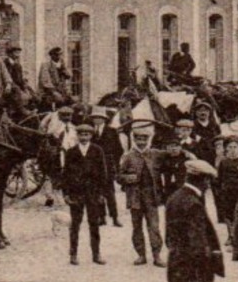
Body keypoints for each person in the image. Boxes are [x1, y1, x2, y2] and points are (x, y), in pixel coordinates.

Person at [60, 122, 110, 264]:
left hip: (93, 193)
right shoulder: (71, 152)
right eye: (81, 134)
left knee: (94, 223)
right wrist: (66, 193)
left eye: (87, 134)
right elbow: (66, 174)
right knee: (75, 224)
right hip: (76, 193)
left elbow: (103, 173)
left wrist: (101, 193)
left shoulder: (97, 151)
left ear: (91, 136)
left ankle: (96, 254)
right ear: (77, 135)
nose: (84, 136)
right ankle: (73, 254)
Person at [117, 124, 166, 266]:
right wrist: (127, 178)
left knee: (154, 227)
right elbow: (118, 176)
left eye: (144, 139)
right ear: (134, 140)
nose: (142, 142)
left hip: (152, 197)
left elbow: (173, 156)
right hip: (135, 197)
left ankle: (157, 256)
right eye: (138, 139)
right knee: (137, 227)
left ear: (149, 140)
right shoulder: (127, 156)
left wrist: (188, 153)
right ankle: (141, 255)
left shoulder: (156, 154)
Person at [92, 106, 127, 228]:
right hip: (94, 168)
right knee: (97, 192)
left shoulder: (111, 131)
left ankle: (115, 218)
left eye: (99, 117)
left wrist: (114, 165)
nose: (97, 119)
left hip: (108, 167)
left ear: (104, 119)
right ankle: (101, 217)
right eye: (95, 117)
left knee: (110, 193)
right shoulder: (90, 132)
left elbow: (119, 150)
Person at [214, 136, 238, 228]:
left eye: (235, 147)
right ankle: (230, 235)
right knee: (228, 214)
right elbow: (220, 178)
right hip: (227, 193)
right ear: (226, 149)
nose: (233, 150)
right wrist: (219, 191)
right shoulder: (224, 162)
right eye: (230, 147)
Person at [3, 44, 34, 115]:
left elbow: (19, 79)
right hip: (7, 85)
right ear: (10, 53)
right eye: (16, 52)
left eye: (18, 52)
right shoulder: (4, 63)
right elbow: (4, 77)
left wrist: (25, 86)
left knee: (31, 90)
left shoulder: (18, 65)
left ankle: (33, 109)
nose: (18, 55)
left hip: (16, 85)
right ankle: (22, 110)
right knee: (16, 89)